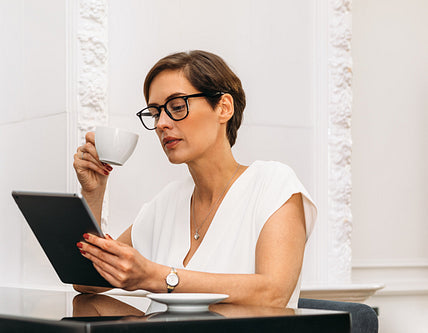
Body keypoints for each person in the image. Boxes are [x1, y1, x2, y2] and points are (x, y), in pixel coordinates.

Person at [72, 50, 316, 308]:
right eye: (155, 113)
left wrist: (155, 276)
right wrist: (94, 192)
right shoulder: (167, 202)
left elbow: (274, 293)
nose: (161, 123)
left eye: (176, 107)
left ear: (224, 108)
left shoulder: (273, 184)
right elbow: (87, 281)